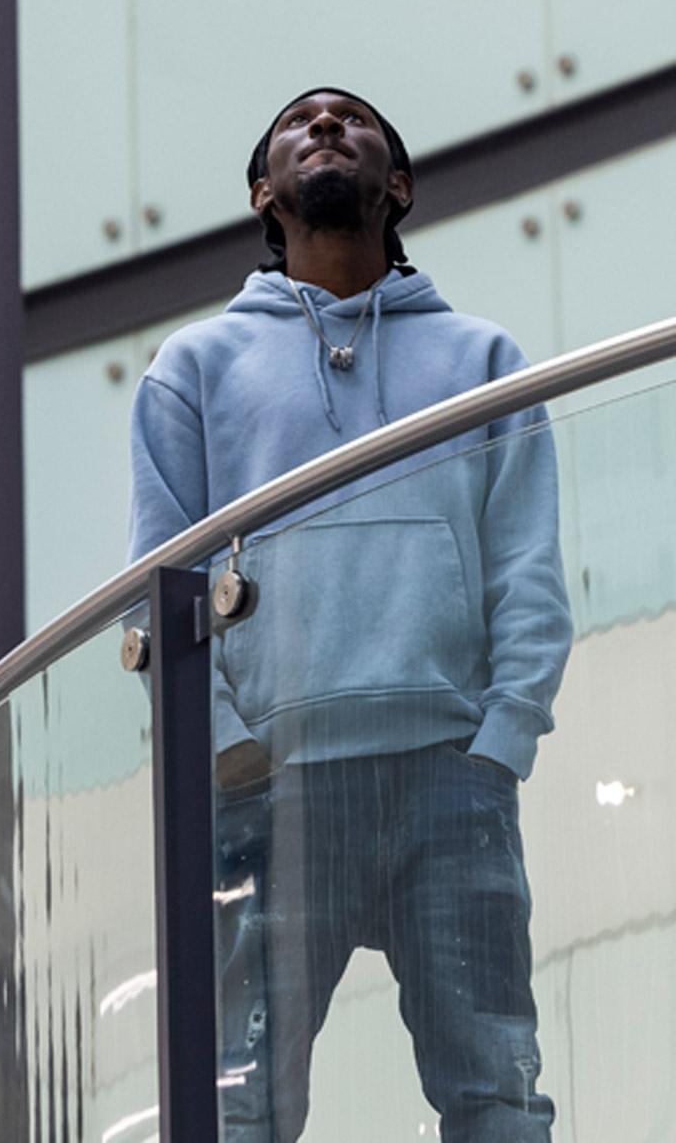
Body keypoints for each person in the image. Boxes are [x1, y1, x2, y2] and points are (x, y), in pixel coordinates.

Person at [126, 88, 573, 1142]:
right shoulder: (191, 367)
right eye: (298, 124)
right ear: (260, 193)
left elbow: (529, 573)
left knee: (496, 1097)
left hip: (446, 779)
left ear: (398, 184)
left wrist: (497, 745)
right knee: (240, 1109)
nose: (325, 128)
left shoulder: (481, 360)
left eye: (352, 121)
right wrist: (226, 751)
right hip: (268, 789)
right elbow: (160, 585)